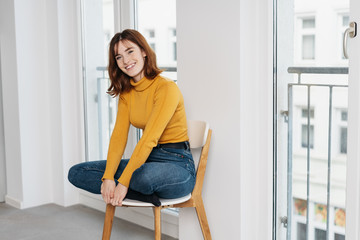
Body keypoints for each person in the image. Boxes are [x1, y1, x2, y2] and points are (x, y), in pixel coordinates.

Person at [68, 29, 195, 207]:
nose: (126, 61)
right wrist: (109, 178)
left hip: (178, 164)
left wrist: (124, 182)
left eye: (130, 51)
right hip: (147, 160)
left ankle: (130, 189)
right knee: (77, 172)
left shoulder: (166, 88)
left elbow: (149, 138)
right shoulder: (127, 94)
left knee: (143, 177)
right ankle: (142, 194)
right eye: (118, 57)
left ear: (143, 51)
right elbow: (118, 138)